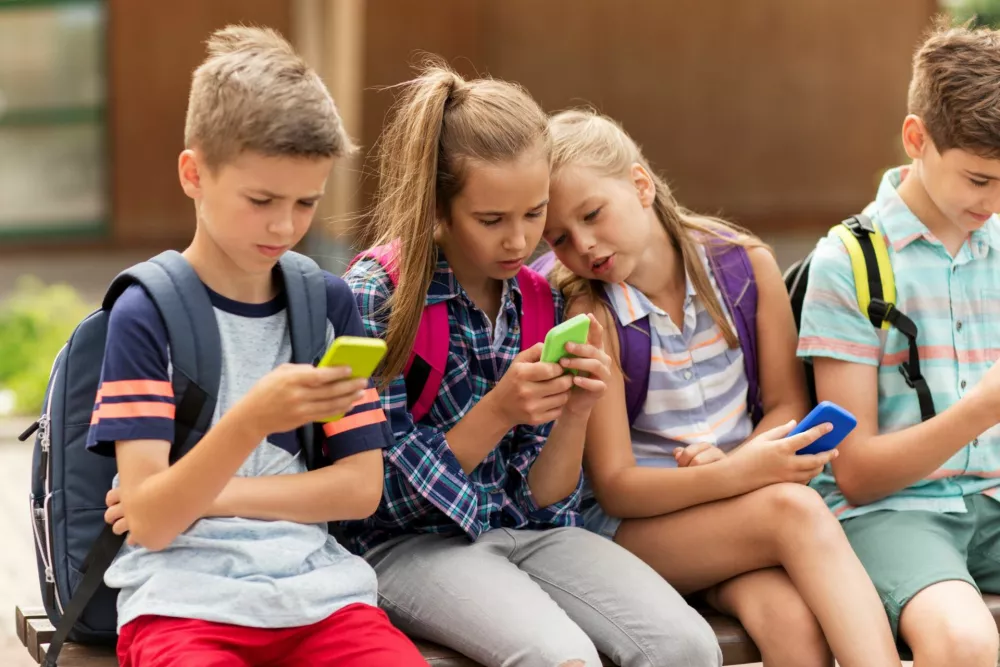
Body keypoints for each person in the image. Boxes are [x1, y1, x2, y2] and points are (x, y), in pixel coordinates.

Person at [343, 60, 723, 667]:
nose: (519, 242)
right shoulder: (378, 297)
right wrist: (496, 413)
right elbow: (372, 496)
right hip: (405, 545)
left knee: (686, 647)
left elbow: (546, 503)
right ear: (438, 207)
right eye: (491, 221)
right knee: (558, 657)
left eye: (534, 214)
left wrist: (574, 415)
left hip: (529, 535)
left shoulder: (541, 299)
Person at [92, 25, 427, 667]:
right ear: (194, 173)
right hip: (183, 610)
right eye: (261, 199)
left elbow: (359, 489)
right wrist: (253, 420)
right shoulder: (147, 313)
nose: (284, 225)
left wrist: (211, 498)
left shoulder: (328, 305)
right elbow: (155, 522)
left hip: (322, 601)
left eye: (307, 202)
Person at [542, 108, 900, 667]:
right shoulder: (594, 313)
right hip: (634, 534)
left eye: (592, 214)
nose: (584, 245)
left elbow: (785, 402)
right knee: (794, 511)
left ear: (639, 185)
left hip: (738, 513)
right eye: (559, 237)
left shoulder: (744, 265)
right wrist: (744, 474)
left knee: (791, 626)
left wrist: (742, 466)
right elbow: (615, 487)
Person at [799, 20, 1000, 665]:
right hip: (897, 514)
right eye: (978, 179)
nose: (994, 202)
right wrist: (980, 410)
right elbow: (855, 474)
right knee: (964, 643)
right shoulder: (848, 263)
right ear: (917, 138)